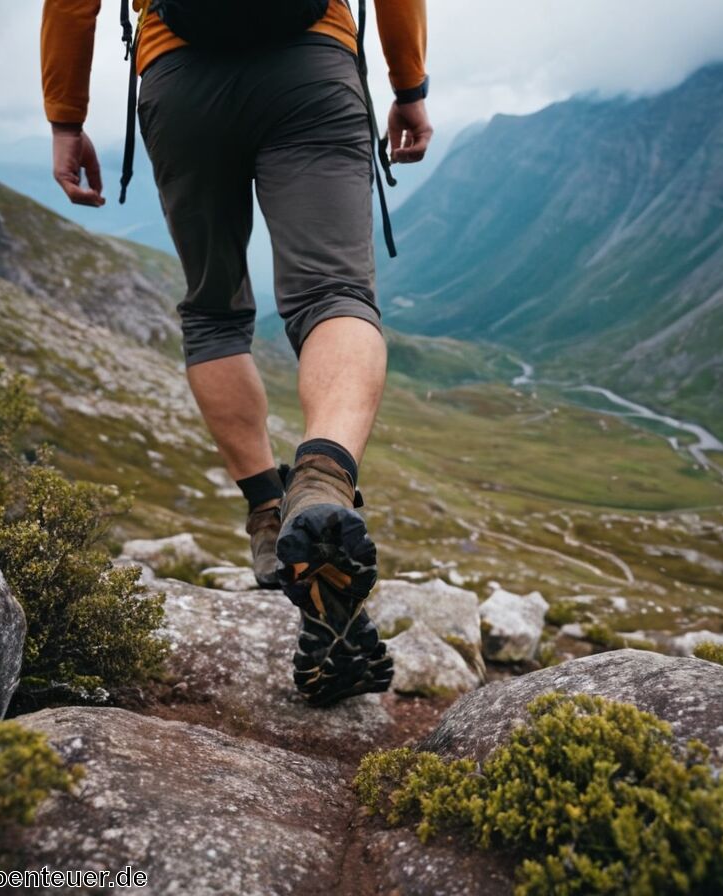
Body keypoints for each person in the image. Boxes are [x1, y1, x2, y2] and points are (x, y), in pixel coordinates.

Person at [40, 0, 432, 707]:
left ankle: (268, 513)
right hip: (311, 64)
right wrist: (409, 87)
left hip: (178, 72)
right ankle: (324, 476)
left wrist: (66, 117)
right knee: (333, 295)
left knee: (215, 314)